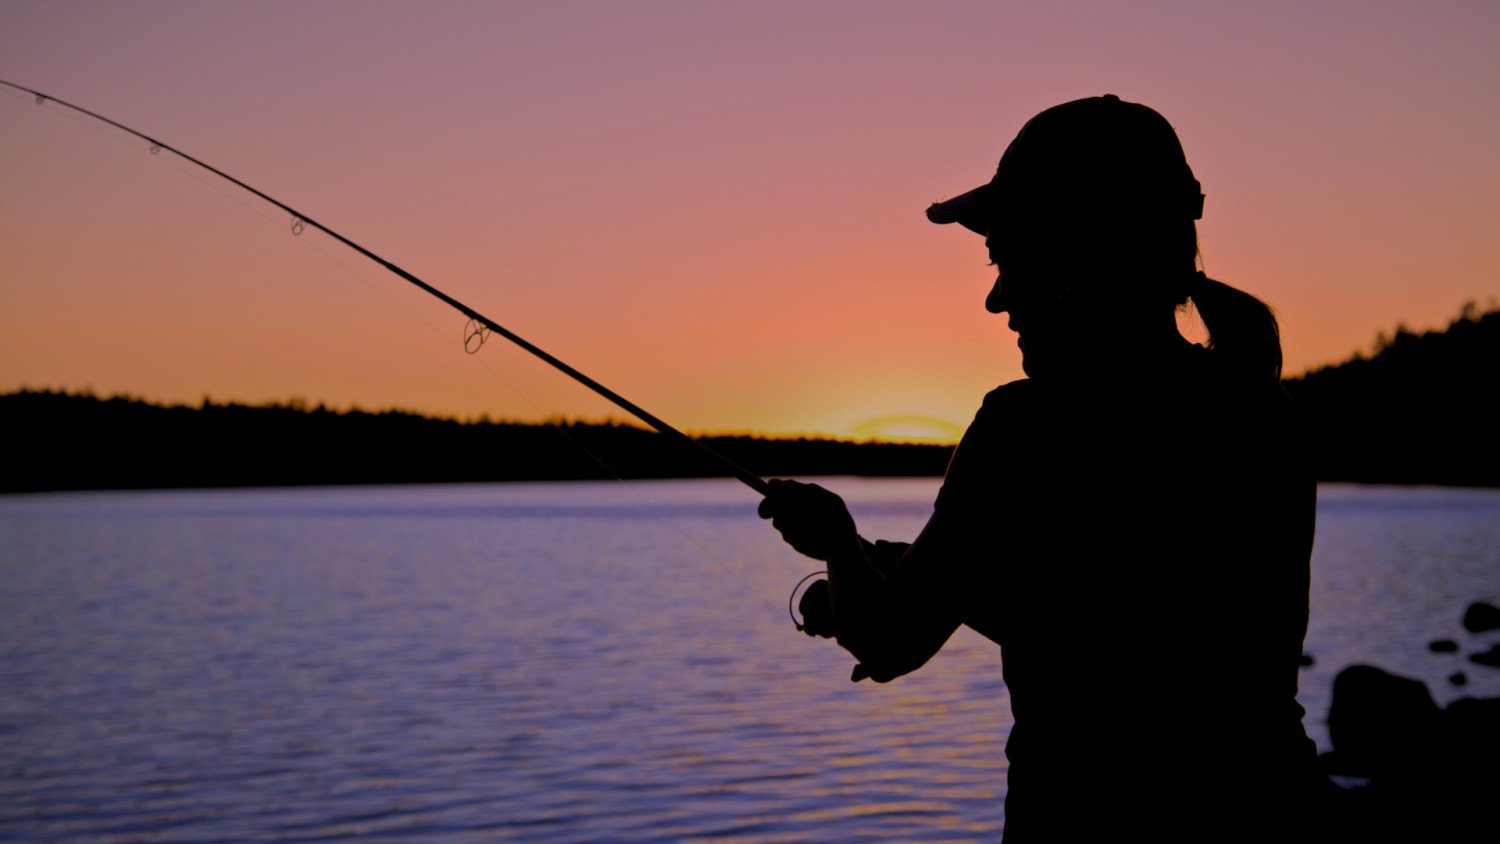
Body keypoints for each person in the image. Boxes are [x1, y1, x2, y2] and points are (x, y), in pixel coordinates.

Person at [759, 95, 1328, 841]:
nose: (997, 299)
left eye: (1008, 260)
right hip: (1272, 809)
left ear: (1076, 261)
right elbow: (1131, 634)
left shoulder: (1026, 426)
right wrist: (929, 575)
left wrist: (837, 545)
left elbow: (890, 641)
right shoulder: (1258, 412)